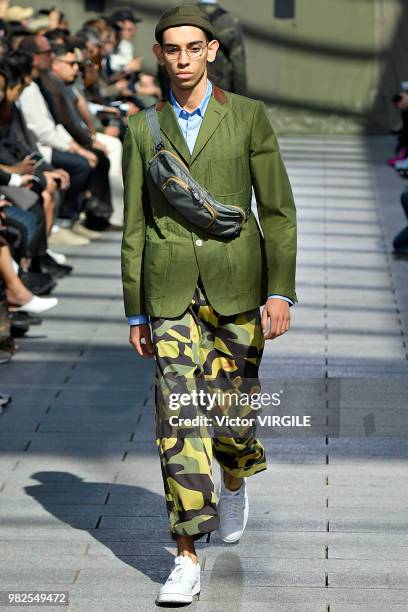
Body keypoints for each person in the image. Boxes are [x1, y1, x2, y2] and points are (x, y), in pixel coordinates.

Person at [121, 4, 297, 605]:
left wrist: (280, 290)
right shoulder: (141, 129)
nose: (183, 58)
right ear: (160, 55)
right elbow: (135, 225)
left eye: (193, 47)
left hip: (237, 285)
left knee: (232, 414)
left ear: (211, 52)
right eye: (172, 49)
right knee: (178, 418)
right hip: (170, 290)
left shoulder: (248, 117)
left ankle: (236, 470)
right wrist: (135, 311)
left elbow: (276, 209)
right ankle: (186, 555)